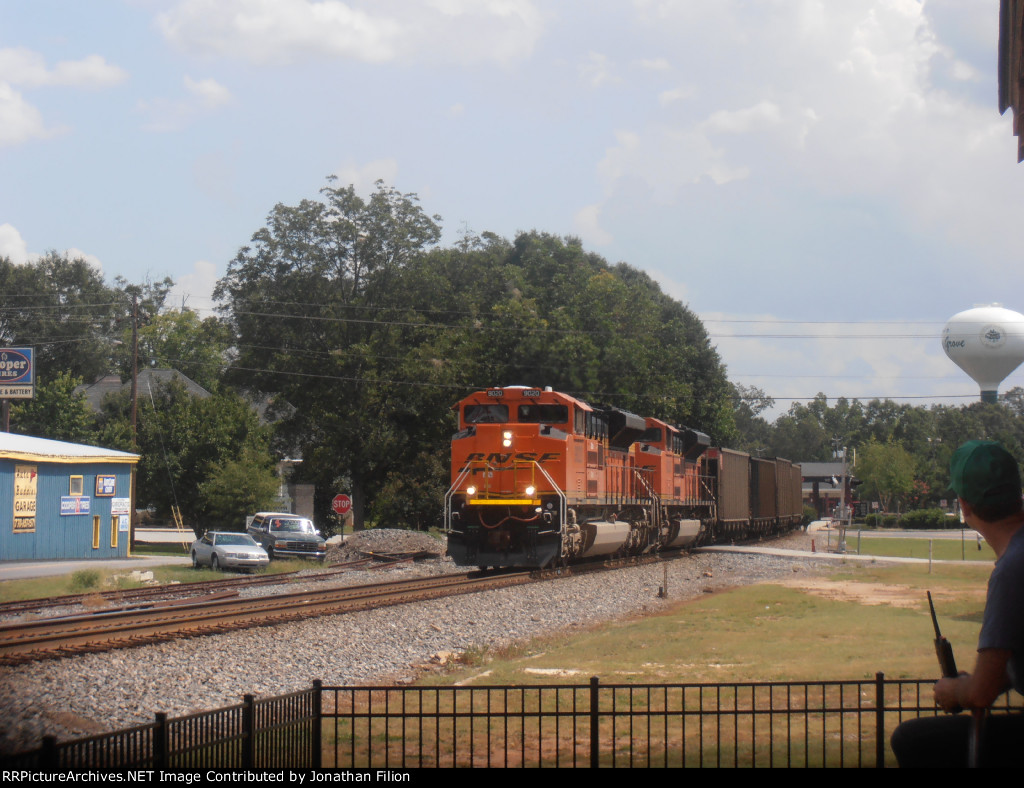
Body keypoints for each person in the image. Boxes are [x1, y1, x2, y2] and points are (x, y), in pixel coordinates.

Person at [891, 440, 1024, 767]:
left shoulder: (1012, 570)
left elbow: (980, 694)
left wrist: (955, 691)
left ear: (964, 506)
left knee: (912, 740)